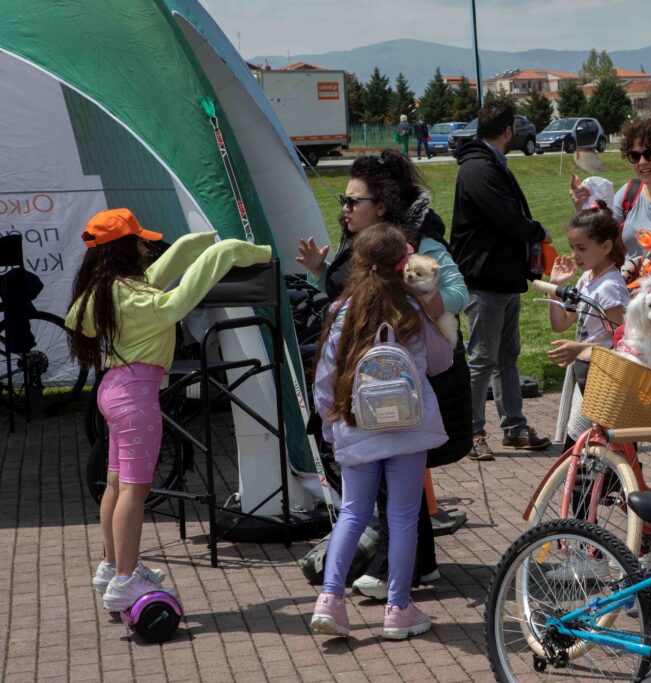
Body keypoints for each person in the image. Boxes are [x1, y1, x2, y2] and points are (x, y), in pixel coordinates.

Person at [65, 208, 271, 611]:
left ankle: (112, 565)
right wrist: (233, 251)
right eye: (140, 241)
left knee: (116, 485)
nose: (146, 247)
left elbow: (153, 281)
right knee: (135, 491)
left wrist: (189, 246)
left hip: (113, 391)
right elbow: (176, 301)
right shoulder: (137, 298)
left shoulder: (102, 293)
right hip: (136, 400)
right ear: (125, 249)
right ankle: (124, 579)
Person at [295, 150, 471, 599]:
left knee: (394, 487)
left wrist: (415, 301)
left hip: (409, 380)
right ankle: (411, 569)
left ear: (383, 206)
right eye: (344, 199)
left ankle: (393, 576)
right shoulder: (362, 246)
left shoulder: (420, 246)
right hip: (371, 384)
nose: (345, 209)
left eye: (354, 201)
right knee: (396, 486)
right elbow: (347, 299)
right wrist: (320, 271)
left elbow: (457, 293)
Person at [310, 223, 454, 640]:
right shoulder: (411, 309)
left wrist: (330, 425)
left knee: (352, 513)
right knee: (404, 516)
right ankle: (398, 608)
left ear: (357, 260)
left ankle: (330, 600)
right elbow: (441, 360)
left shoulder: (343, 310)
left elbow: (325, 378)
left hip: (357, 426)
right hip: (408, 427)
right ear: (402, 263)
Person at [451, 101, 551, 460]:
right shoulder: (479, 168)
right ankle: (474, 433)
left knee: (507, 357)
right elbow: (507, 218)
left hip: (503, 279)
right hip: (485, 280)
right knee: (481, 359)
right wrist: (538, 232)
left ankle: (514, 427)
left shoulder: (487, 164)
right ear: (508, 131)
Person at [546, 202, 630, 453]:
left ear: (606, 247)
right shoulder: (587, 278)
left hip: (605, 376)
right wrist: (555, 287)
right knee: (582, 447)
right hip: (587, 371)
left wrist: (579, 348)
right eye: (572, 247)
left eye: (581, 248)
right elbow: (560, 324)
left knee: (584, 448)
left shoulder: (610, 288)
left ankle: (589, 492)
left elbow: (621, 343)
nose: (574, 255)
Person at [570, 116, 651, 262]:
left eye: (650, 154)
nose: (642, 162)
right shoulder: (629, 194)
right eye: (634, 156)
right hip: (631, 282)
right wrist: (582, 209)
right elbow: (598, 239)